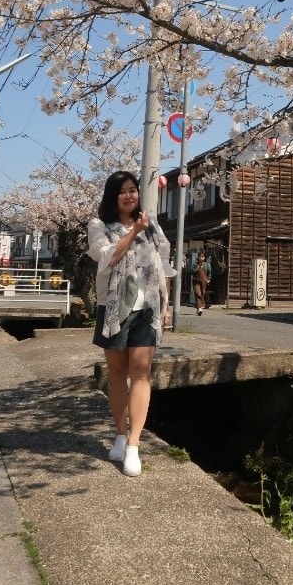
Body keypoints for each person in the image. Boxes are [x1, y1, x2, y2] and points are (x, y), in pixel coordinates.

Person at [87, 171, 175, 477]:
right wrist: (134, 230)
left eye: (133, 190)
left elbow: (163, 264)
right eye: (122, 191)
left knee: (141, 374)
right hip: (114, 309)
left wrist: (166, 306)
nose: (129, 196)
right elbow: (107, 258)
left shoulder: (151, 225)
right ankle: (120, 435)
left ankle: (134, 445)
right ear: (113, 196)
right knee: (117, 374)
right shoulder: (99, 225)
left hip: (147, 308)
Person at [192, 250, 210, 316]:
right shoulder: (195, 264)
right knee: (198, 293)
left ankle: (198, 308)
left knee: (202, 293)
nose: (201, 258)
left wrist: (208, 279)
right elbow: (192, 271)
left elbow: (209, 272)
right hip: (196, 281)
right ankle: (200, 308)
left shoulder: (207, 264)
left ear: (204, 257)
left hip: (203, 281)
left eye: (202, 257)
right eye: (200, 256)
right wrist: (197, 267)